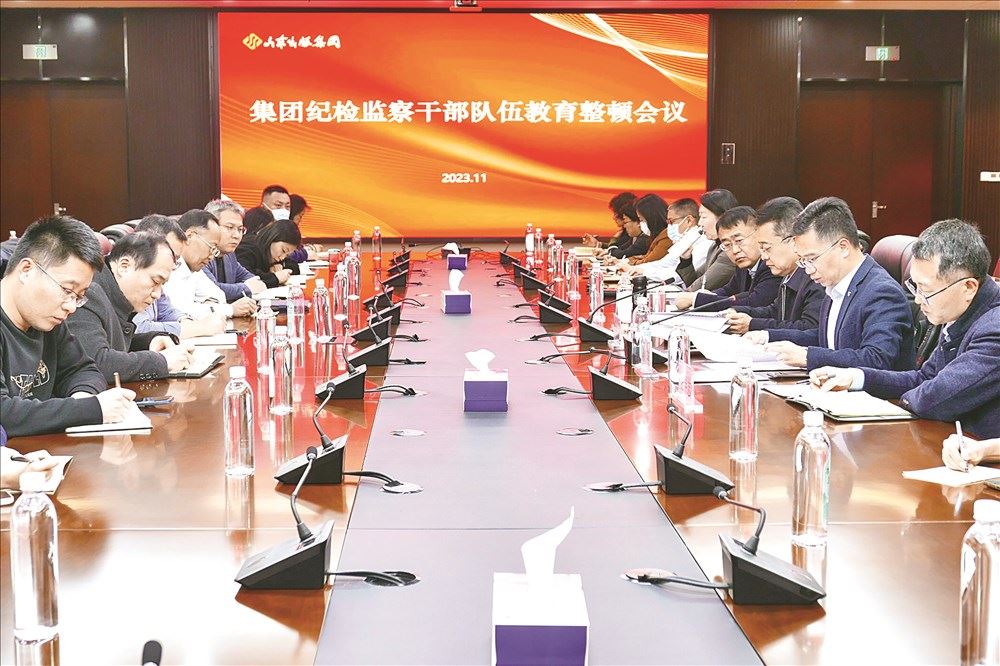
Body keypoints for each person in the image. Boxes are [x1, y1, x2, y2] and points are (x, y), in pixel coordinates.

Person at [808, 219, 999, 438]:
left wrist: (902, 401)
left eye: (926, 290)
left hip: (977, 453)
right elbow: (924, 378)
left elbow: (935, 399)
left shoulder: (994, 330)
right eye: (914, 287)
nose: (917, 300)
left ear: (968, 287)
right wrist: (854, 377)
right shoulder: (962, 310)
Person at [745, 197, 914, 371]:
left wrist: (808, 357)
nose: (808, 270)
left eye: (811, 259)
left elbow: (876, 358)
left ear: (843, 247)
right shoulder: (836, 284)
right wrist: (768, 336)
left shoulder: (882, 292)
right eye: (803, 261)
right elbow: (826, 338)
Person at [1, 216, 135, 437]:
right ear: (26, 270)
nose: (71, 307)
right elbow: (4, 413)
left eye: (79, 296)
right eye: (67, 290)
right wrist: (89, 409)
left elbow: (84, 370)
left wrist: (82, 396)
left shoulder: (48, 321)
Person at [66, 231, 194, 383]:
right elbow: (95, 363)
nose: (157, 294)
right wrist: (161, 362)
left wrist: (150, 341)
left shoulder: (112, 290)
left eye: (162, 285)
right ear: (124, 266)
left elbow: (112, 342)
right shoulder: (88, 291)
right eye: (155, 281)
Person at [723, 197, 824, 335]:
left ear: (793, 242)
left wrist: (753, 325)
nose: (763, 257)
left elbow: (810, 329)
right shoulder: (789, 274)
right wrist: (738, 311)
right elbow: (775, 312)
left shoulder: (816, 276)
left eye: (766, 248)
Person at [133, 214, 226, 339]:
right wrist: (199, 328)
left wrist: (186, 321)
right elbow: (138, 328)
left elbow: (166, 311)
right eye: (172, 256)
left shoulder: (157, 279)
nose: (174, 266)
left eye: (176, 259)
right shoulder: (133, 275)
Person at [672, 206, 780, 312]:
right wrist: (707, 295)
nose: (735, 250)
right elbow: (728, 290)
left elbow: (754, 303)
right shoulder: (743, 264)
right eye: (727, 244)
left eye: (739, 240)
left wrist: (696, 299)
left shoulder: (772, 264)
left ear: (759, 235)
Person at [163, 209, 257, 319]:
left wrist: (207, 306)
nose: (212, 256)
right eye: (211, 247)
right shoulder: (170, 265)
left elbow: (219, 296)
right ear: (189, 236)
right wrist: (228, 309)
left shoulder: (194, 268)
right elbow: (178, 310)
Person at [202, 199, 266, 301]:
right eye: (229, 227)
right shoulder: (200, 253)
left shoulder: (229, 254)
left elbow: (247, 276)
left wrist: (254, 284)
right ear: (211, 226)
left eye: (240, 229)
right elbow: (212, 289)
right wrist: (247, 288)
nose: (236, 235)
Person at [626, 198, 701, 284]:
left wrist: (644, 272)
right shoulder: (683, 240)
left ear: (689, 220)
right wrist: (637, 269)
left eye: (671, 221)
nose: (669, 226)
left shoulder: (701, 242)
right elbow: (664, 263)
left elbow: (678, 275)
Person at [677, 189, 738, 291]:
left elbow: (698, 287)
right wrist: (686, 260)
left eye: (704, 217)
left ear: (722, 218)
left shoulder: (729, 251)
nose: (699, 223)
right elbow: (696, 280)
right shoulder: (714, 246)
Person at [235, 220, 301, 288]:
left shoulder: (272, 253)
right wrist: (275, 277)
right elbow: (246, 278)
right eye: (283, 250)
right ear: (273, 238)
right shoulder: (248, 248)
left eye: (287, 255)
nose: (282, 257)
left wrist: (280, 265)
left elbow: (294, 267)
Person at [625, 194, 673, 265]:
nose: (640, 224)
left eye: (641, 220)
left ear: (651, 218)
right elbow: (647, 257)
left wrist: (630, 262)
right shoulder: (658, 236)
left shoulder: (667, 236)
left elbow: (650, 261)